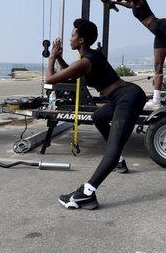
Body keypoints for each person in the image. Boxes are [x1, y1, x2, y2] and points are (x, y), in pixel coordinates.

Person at [46, 18, 146, 210]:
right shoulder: (90, 56)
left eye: (73, 34)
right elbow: (72, 72)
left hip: (127, 97)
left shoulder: (87, 60)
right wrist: (59, 58)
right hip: (121, 97)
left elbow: (51, 79)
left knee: (113, 147)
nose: (70, 38)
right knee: (98, 117)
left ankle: (88, 193)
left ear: (81, 40)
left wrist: (52, 57)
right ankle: (117, 160)